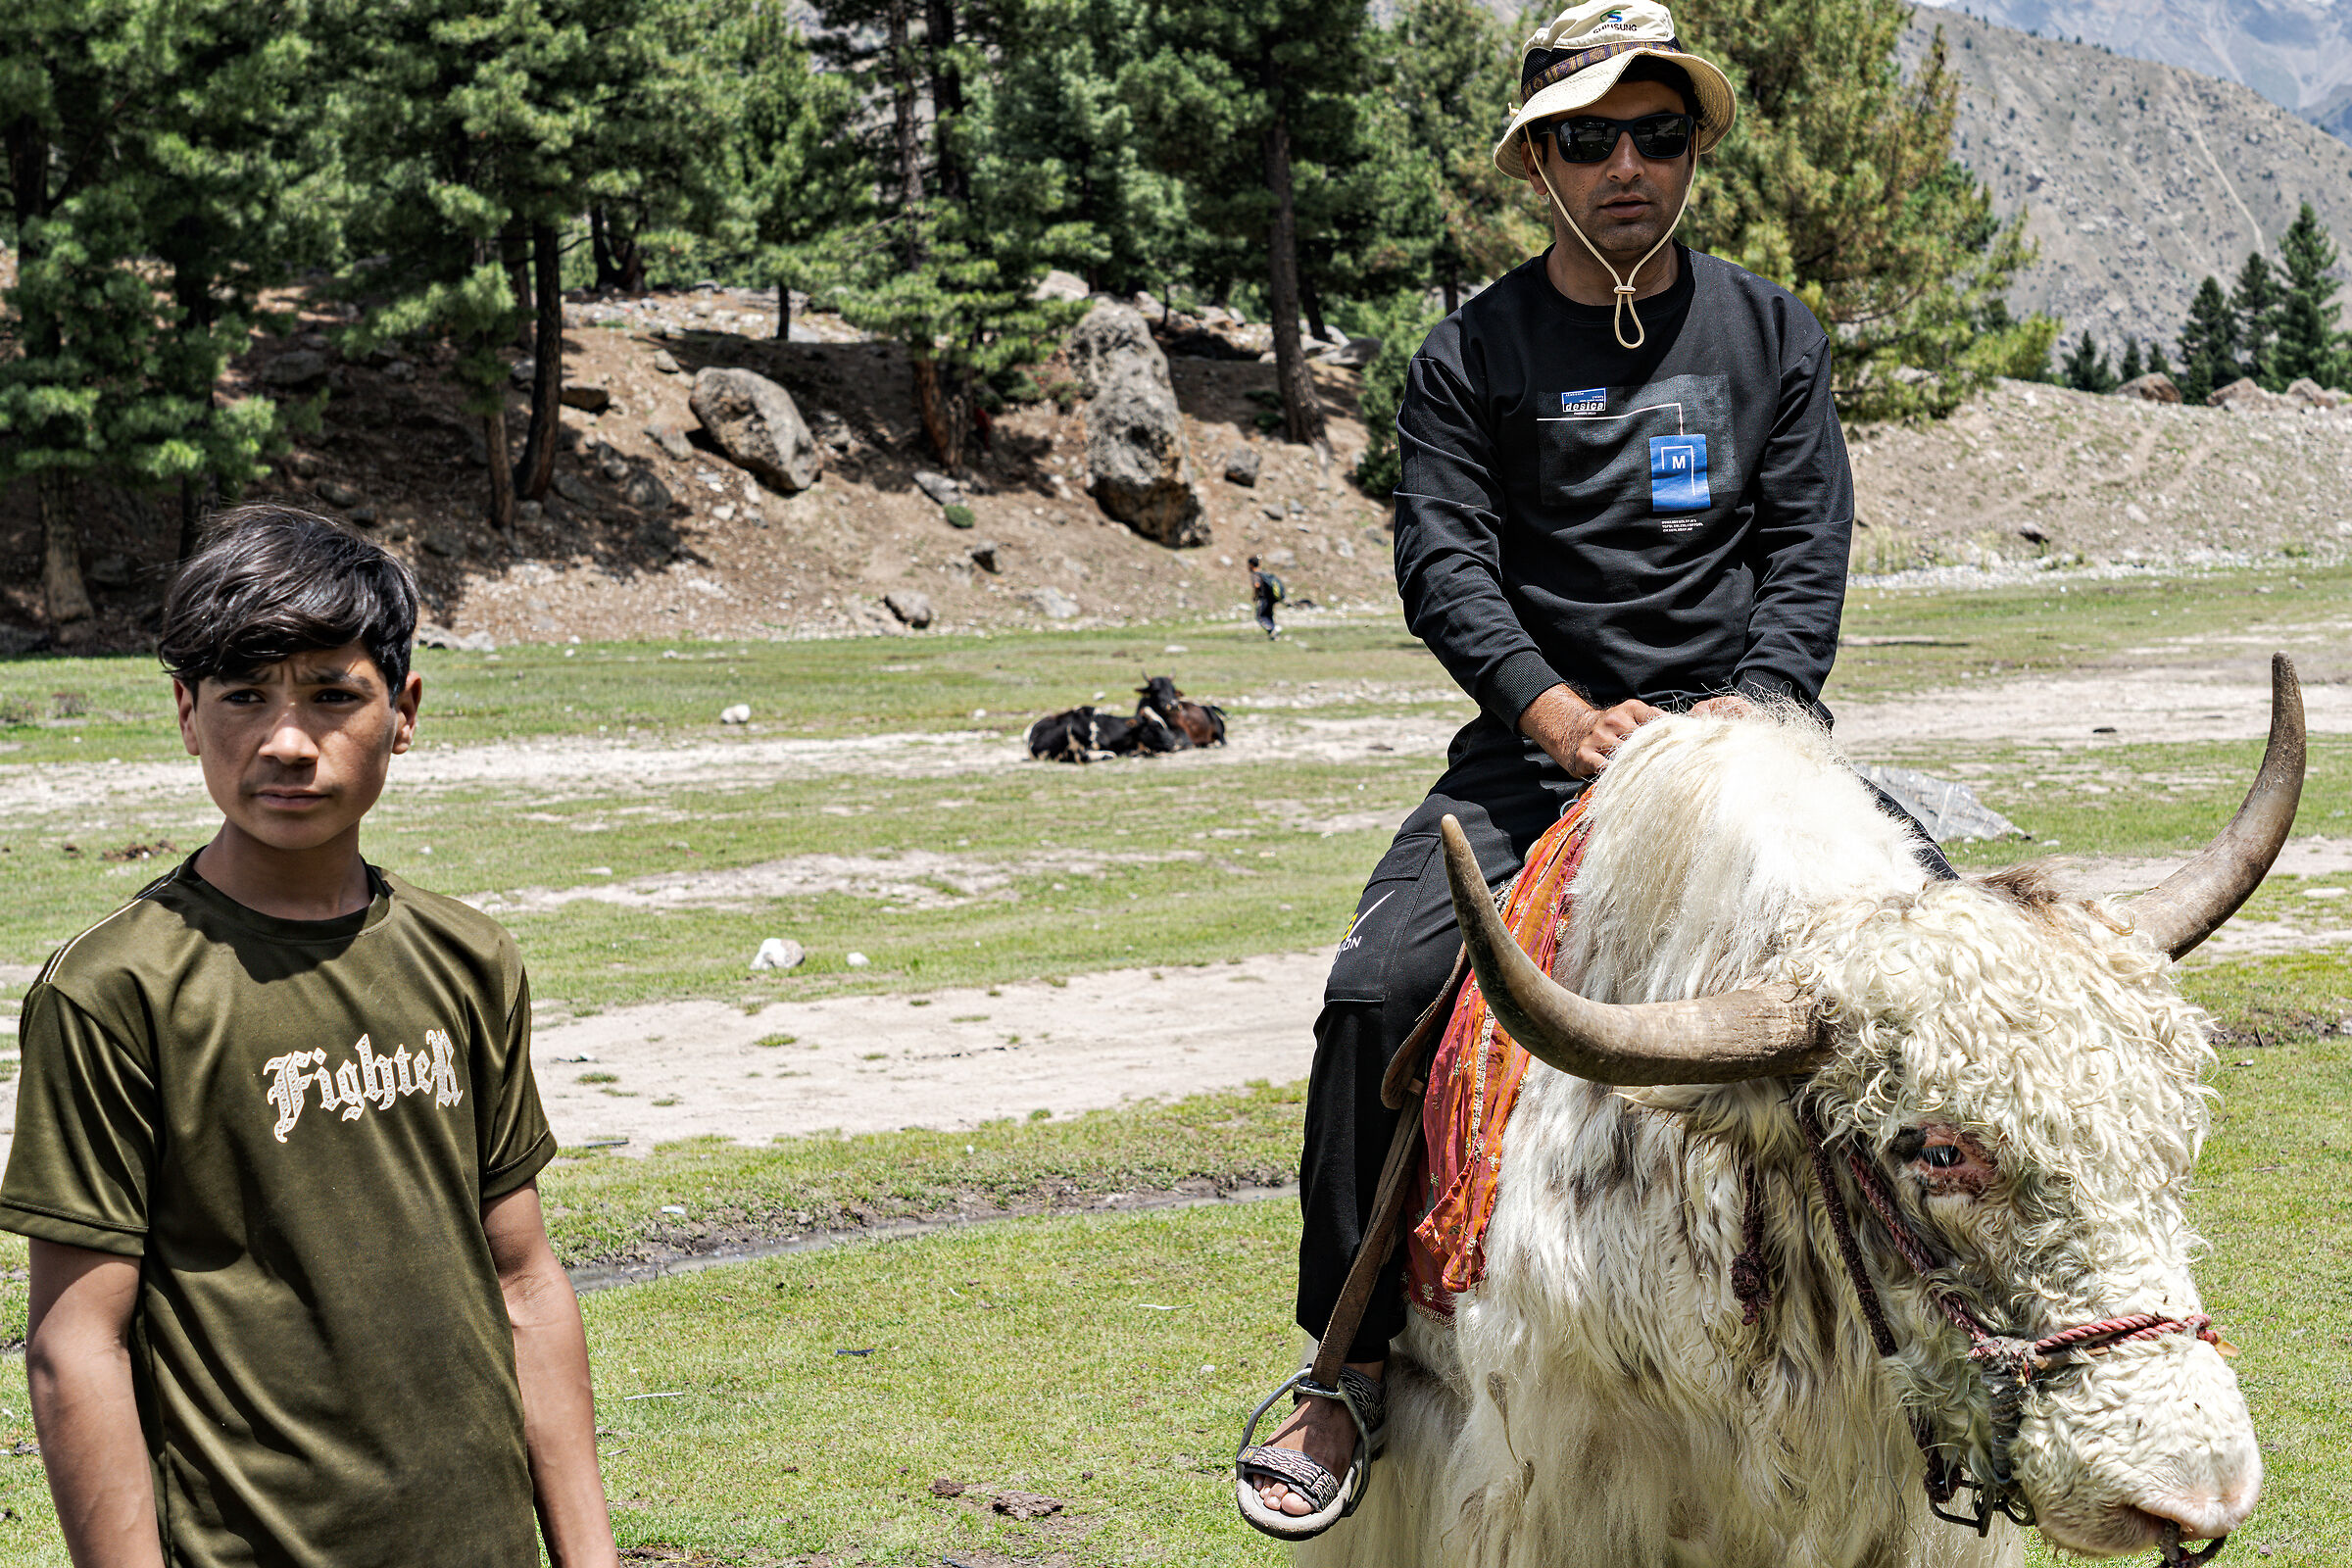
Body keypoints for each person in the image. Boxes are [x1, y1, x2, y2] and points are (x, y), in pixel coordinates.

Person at [1235, 0, 1917, 1538]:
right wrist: (1552, 714)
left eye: (1658, 133)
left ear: (1692, 150)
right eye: (1592, 137)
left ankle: (1931, 1345)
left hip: (1747, 751)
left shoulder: (1774, 335)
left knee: (1937, 981)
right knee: (1373, 998)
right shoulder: (1472, 352)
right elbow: (1445, 561)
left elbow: (1807, 552)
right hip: (1535, 758)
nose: (1629, 164)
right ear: (1538, 161)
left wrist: (1757, 712)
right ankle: (1343, 1370)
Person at [3, 507, 618, 1568]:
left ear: (404, 710)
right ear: (189, 714)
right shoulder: (114, 992)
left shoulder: (466, 957)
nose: (289, 742)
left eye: (335, 694)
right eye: (246, 697)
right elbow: (75, 1343)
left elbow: (525, 1281)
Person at [1249, 556, 1284, 638]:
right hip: (1270, 598)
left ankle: (1272, 629)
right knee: (1268, 615)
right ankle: (1274, 633)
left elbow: (1257, 585)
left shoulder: (1255, 575)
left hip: (1263, 598)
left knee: (1259, 616)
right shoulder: (1263, 573)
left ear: (1251, 565)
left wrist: (1255, 595)